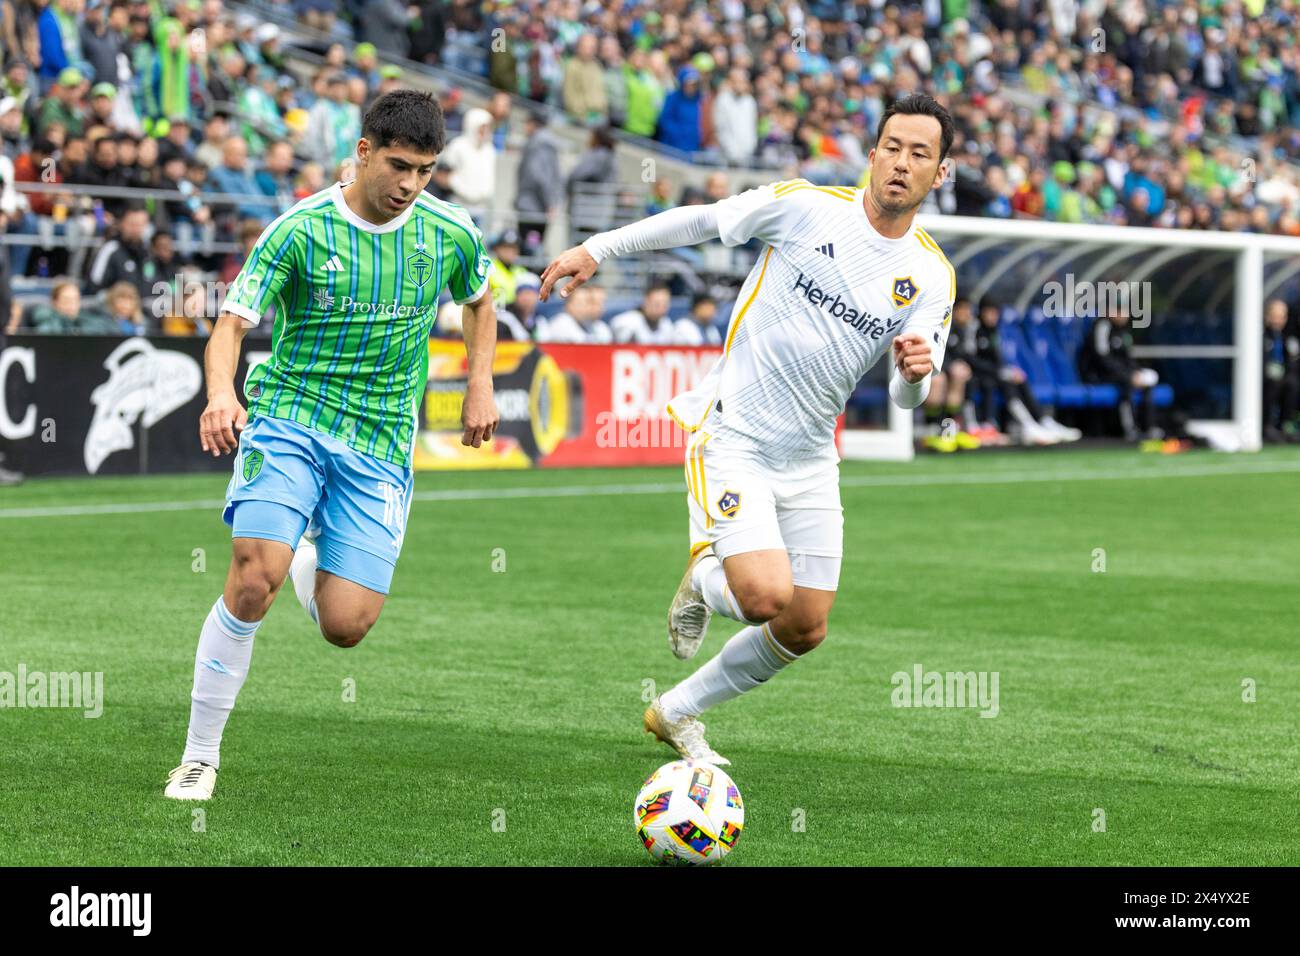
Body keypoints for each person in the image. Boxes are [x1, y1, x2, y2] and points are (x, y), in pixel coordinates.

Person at [540, 94, 958, 764]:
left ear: (940, 173)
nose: (902, 163)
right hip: (734, 436)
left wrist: (916, 373)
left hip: (812, 457)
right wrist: (598, 247)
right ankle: (705, 577)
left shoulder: (931, 276)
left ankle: (675, 712)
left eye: (920, 153)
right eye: (893, 147)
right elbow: (704, 220)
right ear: (873, 153)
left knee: (806, 626)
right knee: (765, 596)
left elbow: (909, 398)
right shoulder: (807, 206)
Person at [165, 90, 499, 801]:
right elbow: (230, 324)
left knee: (346, 627)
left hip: (379, 442)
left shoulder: (450, 232)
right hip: (291, 419)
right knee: (255, 577)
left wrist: (479, 383)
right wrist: (222, 394)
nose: (410, 185)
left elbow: (479, 299)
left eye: (427, 171)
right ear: (364, 151)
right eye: (400, 166)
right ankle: (199, 756)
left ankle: (308, 551)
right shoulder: (299, 230)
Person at [1078, 307, 1160, 441]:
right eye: (1120, 311)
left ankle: (1149, 427)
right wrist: (1127, 375)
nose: (1124, 316)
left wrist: (1135, 372)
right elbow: (1101, 357)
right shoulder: (1102, 326)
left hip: (1119, 374)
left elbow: (1127, 357)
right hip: (1098, 374)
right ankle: (1130, 429)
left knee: (1146, 384)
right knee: (1127, 385)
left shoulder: (1122, 331)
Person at [1263, 298, 1299, 443]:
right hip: (1265, 379)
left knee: (1292, 384)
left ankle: (1285, 425)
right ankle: (1266, 426)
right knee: (1273, 383)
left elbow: (1292, 362)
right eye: (1274, 316)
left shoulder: (1287, 337)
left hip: (1283, 378)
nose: (1277, 320)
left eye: (1281, 317)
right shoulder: (1260, 336)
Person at [536, 283, 611, 344]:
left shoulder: (592, 325)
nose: (587, 307)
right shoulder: (561, 324)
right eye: (581, 303)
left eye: (588, 302)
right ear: (569, 305)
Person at [609, 281, 677, 345]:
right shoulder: (626, 322)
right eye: (657, 304)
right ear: (646, 301)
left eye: (665, 304)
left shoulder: (667, 325)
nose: (661, 308)